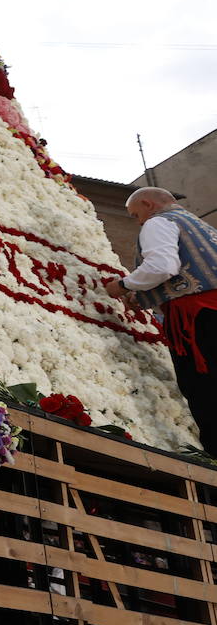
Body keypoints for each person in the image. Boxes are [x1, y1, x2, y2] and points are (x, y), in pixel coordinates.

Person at [105, 186, 217, 451]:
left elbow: (162, 267)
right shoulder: (200, 226)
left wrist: (123, 285)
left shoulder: (159, 222)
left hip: (198, 318)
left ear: (148, 204)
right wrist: (142, 299)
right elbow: (190, 273)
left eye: (136, 215)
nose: (139, 222)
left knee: (204, 388)